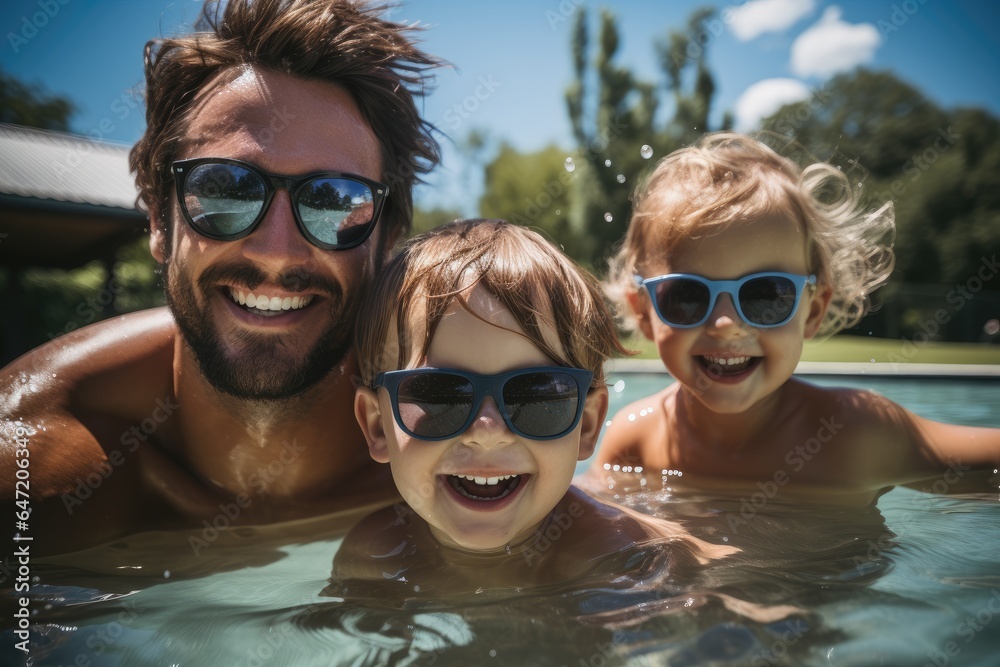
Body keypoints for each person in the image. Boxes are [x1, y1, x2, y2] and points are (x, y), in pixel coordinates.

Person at [0, 0, 441, 551]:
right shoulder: (32, 470)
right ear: (160, 218)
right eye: (225, 189)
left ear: (386, 242)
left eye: (335, 201)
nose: (277, 254)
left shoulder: (458, 445)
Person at [331, 219, 742, 599]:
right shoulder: (374, 555)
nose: (487, 429)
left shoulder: (626, 560)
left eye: (537, 395)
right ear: (377, 426)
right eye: (441, 394)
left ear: (587, 425)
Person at [589, 133, 1000, 503]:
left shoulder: (854, 435)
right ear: (645, 312)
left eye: (767, 294)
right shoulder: (635, 441)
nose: (727, 323)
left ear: (813, 311)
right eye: (686, 296)